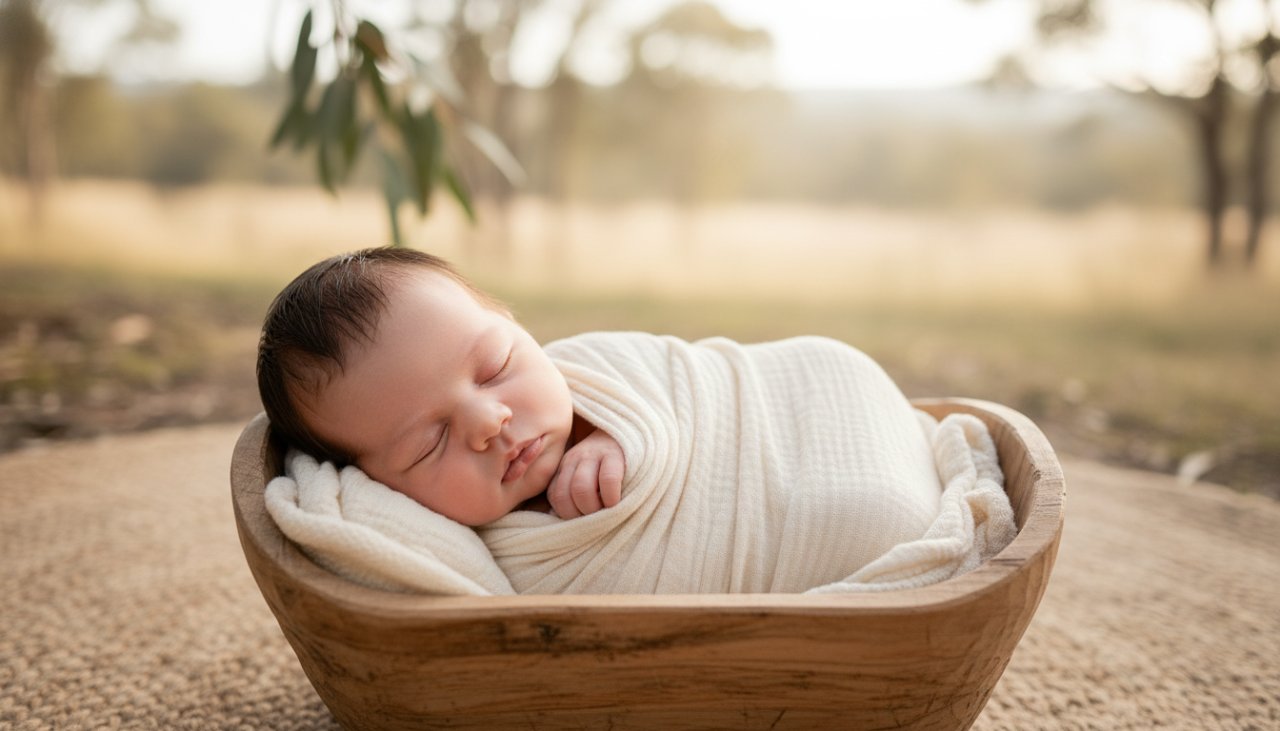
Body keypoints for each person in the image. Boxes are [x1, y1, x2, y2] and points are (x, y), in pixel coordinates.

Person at [257, 247, 625, 526]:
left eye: (495, 368)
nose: (488, 422)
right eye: (429, 444)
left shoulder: (609, 370)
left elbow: (675, 383)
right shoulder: (448, 556)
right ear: (373, 485)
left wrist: (621, 433)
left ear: (514, 324)